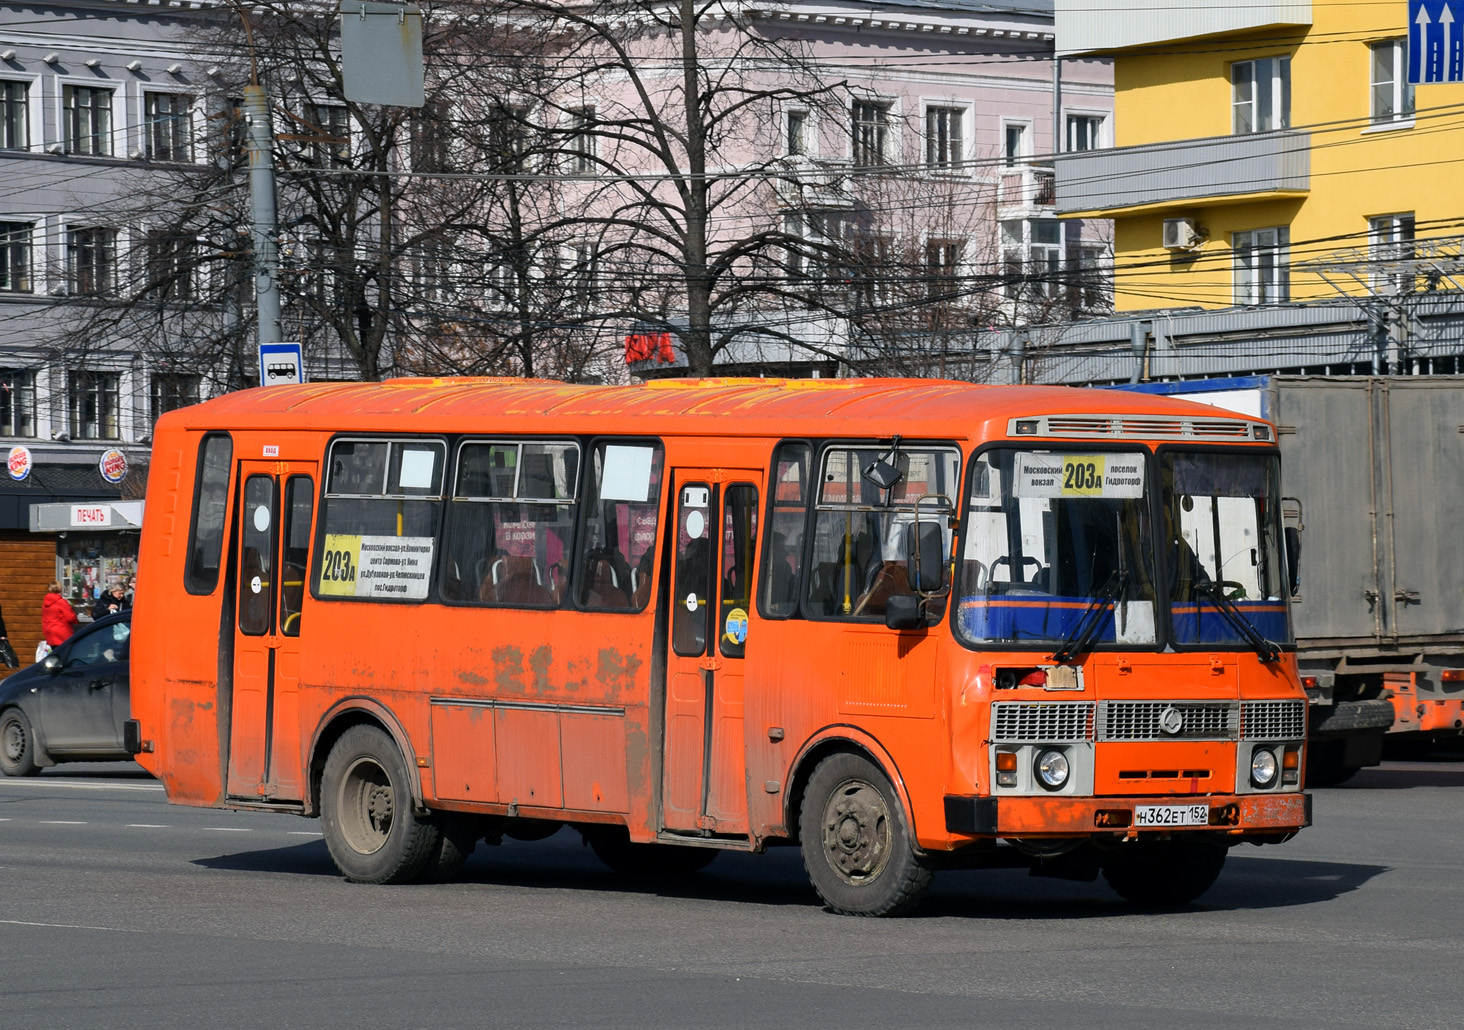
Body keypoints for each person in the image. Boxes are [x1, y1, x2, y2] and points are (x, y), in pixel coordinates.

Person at [42, 582, 78, 649]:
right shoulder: (61, 602)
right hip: (62, 634)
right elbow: (71, 618)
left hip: (50, 634)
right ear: (60, 589)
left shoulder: (45, 603)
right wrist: (76, 620)